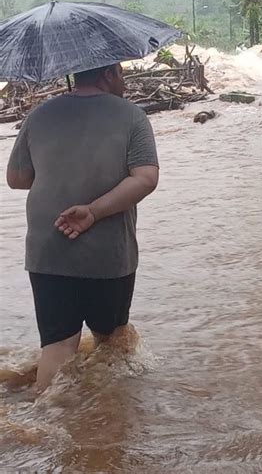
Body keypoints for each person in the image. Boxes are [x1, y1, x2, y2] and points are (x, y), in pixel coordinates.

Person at [6, 63, 159, 390]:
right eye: (120, 73)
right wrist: (93, 210)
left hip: (48, 252)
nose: (123, 80)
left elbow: (16, 179)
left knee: (58, 345)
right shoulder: (132, 116)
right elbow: (146, 179)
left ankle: (43, 425)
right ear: (108, 73)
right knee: (111, 344)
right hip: (107, 256)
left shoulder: (40, 115)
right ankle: (104, 424)